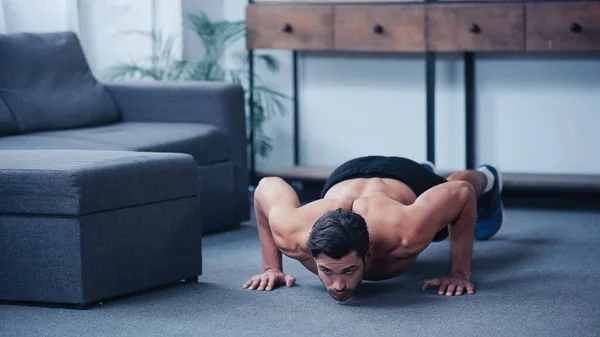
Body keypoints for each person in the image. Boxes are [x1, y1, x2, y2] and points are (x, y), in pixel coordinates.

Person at [242, 156, 503, 301]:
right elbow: (266, 186)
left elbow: (462, 193)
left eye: (348, 270)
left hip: (405, 179)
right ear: (312, 254)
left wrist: (459, 273)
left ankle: (488, 176)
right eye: (327, 271)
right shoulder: (291, 234)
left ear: (368, 254)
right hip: (345, 173)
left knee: (458, 181)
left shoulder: (407, 233)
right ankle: (426, 170)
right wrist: (272, 268)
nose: (338, 285)